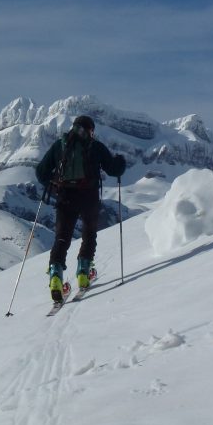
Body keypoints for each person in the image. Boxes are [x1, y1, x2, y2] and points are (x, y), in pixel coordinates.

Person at [35, 115, 126, 304]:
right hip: (89, 196)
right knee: (89, 234)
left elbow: (41, 172)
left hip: (65, 196)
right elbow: (113, 169)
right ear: (90, 130)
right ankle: (84, 273)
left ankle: (55, 277)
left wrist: (53, 186)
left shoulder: (60, 145)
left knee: (62, 237)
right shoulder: (96, 146)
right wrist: (120, 162)